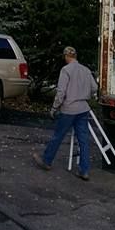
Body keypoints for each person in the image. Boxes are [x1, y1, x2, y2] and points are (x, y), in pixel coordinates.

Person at [33, 46, 97, 181]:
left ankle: (47, 160)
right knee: (83, 140)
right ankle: (84, 170)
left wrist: (54, 108)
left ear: (66, 56)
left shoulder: (66, 70)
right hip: (83, 108)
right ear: (76, 55)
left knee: (58, 135)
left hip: (69, 109)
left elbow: (61, 92)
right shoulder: (86, 70)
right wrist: (86, 95)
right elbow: (94, 88)